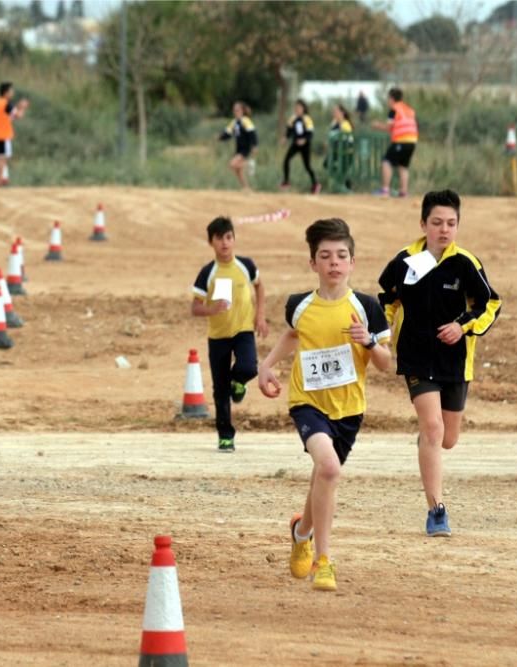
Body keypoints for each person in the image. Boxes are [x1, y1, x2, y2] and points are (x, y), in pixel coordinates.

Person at [258, 218, 392, 592]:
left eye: (341, 255)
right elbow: (292, 335)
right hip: (307, 403)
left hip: (349, 409)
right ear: (313, 263)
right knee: (330, 469)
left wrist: (368, 342)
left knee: (323, 475)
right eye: (325, 256)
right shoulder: (299, 305)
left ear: (352, 262)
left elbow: (387, 363)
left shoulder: (366, 307)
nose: (334, 262)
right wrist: (266, 366)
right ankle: (324, 560)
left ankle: (301, 532)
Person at [377, 190, 502, 537]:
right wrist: (382, 331)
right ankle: (436, 510)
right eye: (437, 223)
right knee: (433, 429)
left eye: (451, 223)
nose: (444, 229)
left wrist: (462, 327)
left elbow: (490, 304)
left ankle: (428, 439)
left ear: (458, 225)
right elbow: (386, 300)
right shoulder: (404, 261)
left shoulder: (465, 263)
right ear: (423, 224)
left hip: (455, 362)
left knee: (447, 438)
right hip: (416, 357)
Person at [191, 216, 268, 453]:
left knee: (249, 368)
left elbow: (259, 285)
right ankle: (225, 436)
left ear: (234, 239)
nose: (224, 243)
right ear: (211, 242)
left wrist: (260, 315)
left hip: (244, 330)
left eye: (228, 237)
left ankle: (239, 382)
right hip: (218, 336)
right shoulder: (208, 272)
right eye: (219, 239)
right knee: (220, 388)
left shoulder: (246, 265)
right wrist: (211, 309)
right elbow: (194, 307)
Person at [372, 87, 418, 197]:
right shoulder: (409, 109)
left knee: (386, 162)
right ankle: (403, 191)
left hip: (401, 140)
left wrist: (377, 125)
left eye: (388, 98)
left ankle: (385, 190)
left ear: (391, 98)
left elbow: (389, 126)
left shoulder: (394, 109)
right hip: (412, 141)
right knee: (403, 166)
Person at [0, 81, 29, 187]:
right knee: (2, 158)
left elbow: (9, 116)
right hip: (2, 134)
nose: (12, 92)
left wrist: (17, 107)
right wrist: (23, 107)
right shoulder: (5, 104)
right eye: (11, 90)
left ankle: (3, 178)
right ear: (6, 92)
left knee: (3, 156)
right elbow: (18, 116)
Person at [280, 99, 319, 194]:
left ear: (303, 109)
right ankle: (286, 181)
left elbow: (310, 133)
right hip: (295, 144)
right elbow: (289, 130)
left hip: (305, 145)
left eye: (299, 108)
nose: (297, 110)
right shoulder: (293, 118)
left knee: (307, 166)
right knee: (286, 160)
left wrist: (304, 140)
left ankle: (315, 184)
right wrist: (285, 138)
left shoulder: (307, 119)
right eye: (296, 108)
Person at [218, 101, 258, 191]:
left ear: (242, 111)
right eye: (234, 110)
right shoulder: (234, 122)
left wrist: (254, 145)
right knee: (238, 171)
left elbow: (253, 134)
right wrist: (220, 137)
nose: (235, 112)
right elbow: (228, 133)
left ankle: (249, 164)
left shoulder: (245, 121)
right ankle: (246, 188)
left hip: (245, 148)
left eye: (237, 110)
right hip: (239, 149)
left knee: (232, 164)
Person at [325, 104, 355, 191]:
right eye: (334, 111)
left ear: (342, 113)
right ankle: (343, 186)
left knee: (341, 171)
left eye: (336, 111)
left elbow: (345, 138)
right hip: (336, 152)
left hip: (346, 153)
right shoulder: (334, 124)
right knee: (328, 165)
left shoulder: (345, 124)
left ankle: (346, 187)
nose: (334, 113)